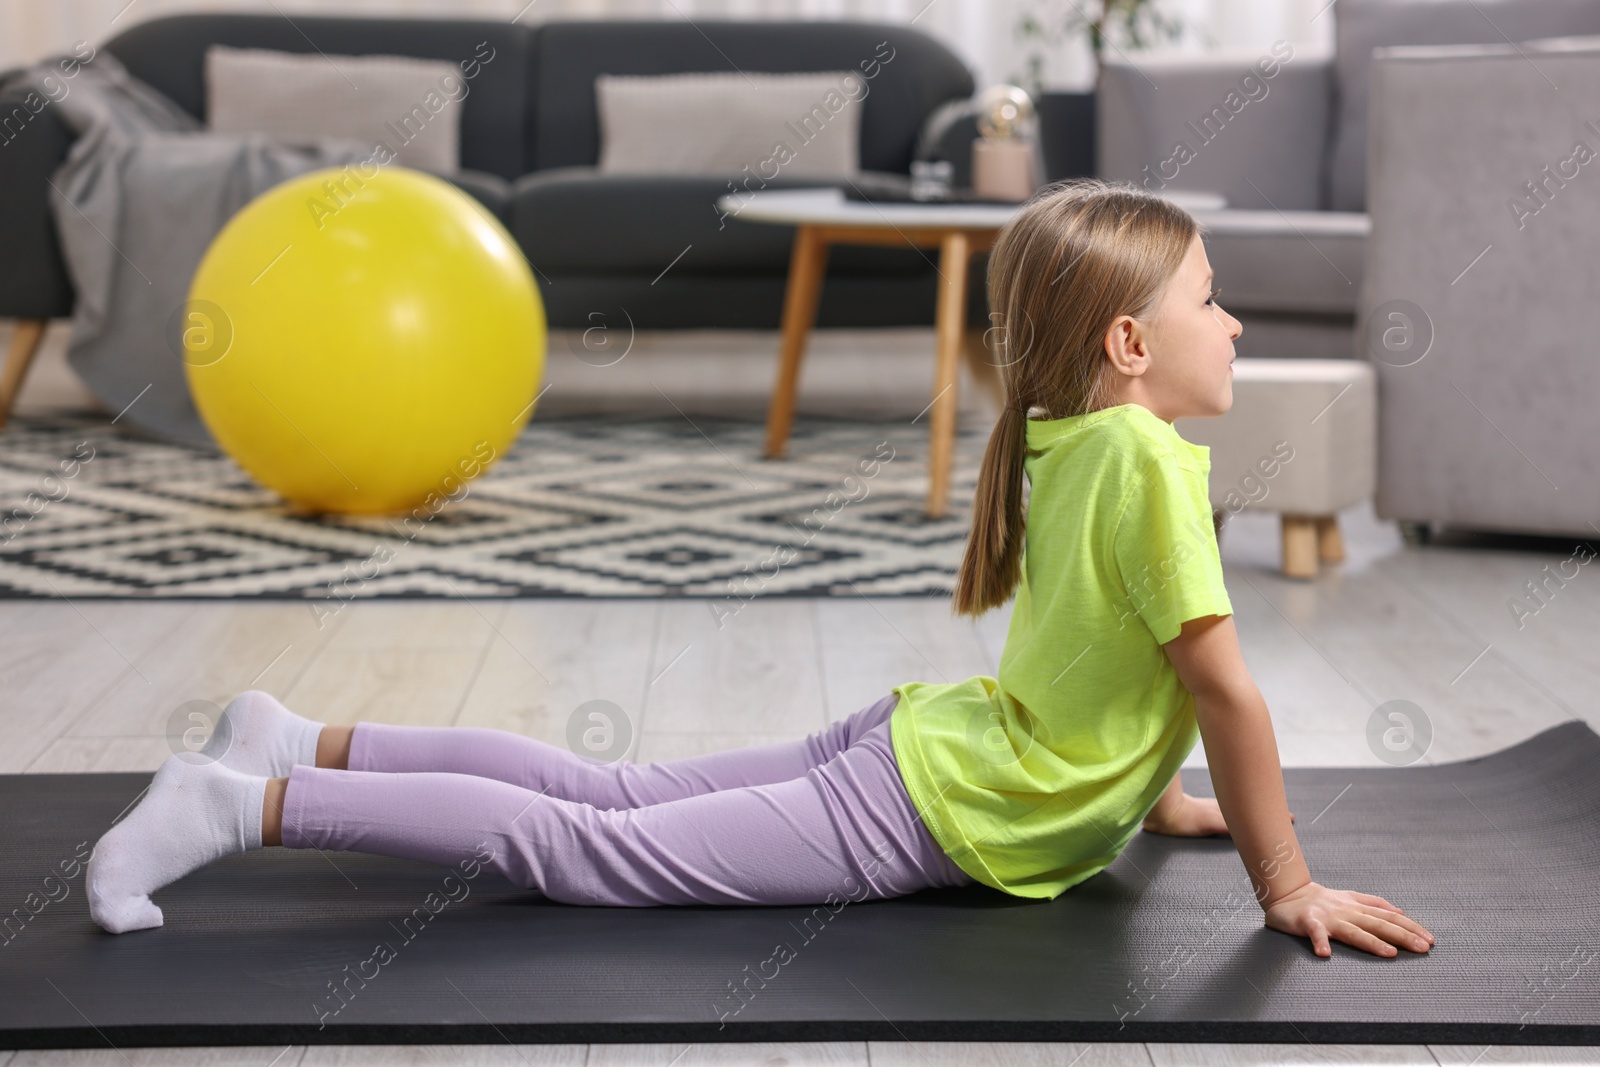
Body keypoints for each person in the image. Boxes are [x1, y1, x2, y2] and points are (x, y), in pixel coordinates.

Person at [86, 179, 1436, 960]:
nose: (1237, 318)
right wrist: (1284, 884)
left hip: (941, 746)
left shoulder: (1084, 437)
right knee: (586, 851)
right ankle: (246, 806)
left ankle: (302, 738)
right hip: (934, 804)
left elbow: (1098, 650)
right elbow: (1227, 692)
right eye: (1212, 297)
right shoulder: (1149, 465)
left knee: (603, 796)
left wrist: (1152, 801)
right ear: (1132, 346)